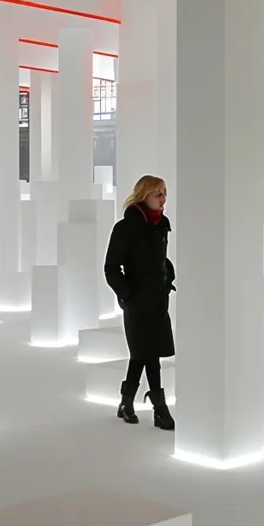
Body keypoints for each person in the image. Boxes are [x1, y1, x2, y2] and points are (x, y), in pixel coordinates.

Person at [104, 175, 176, 431]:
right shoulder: (126, 227)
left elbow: (157, 261)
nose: (163, 198)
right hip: (137, 302)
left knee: (143, 353)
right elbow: (111, 267)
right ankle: (159, 408)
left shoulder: (161, 225)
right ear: (143, 195)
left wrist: (167, 276)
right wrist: (128, 295)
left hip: (157, 300)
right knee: (150, 354)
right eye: (158, 193)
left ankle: (126, 402)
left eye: (164, 193)